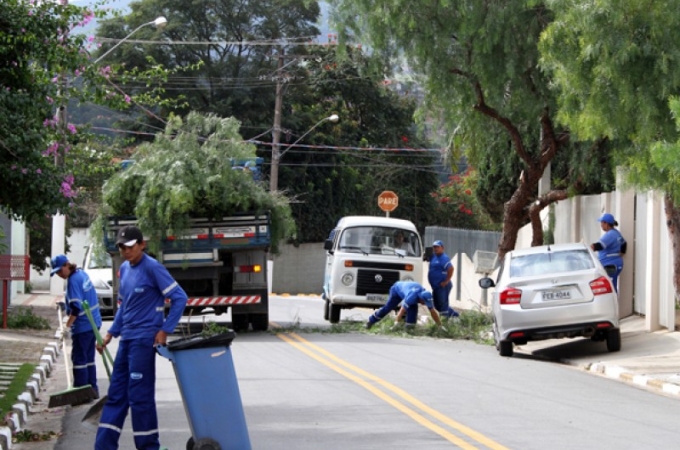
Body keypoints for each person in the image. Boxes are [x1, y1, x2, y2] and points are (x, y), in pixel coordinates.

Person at [95, 225, 188, 450]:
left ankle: (148, 447)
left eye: (129, 247)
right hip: (126, 339)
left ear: (141, 245)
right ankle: (103, 446)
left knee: (139, 397)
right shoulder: (124, 269)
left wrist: (165, 330)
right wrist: (110, 333)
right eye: (121, 247)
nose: (125, 251)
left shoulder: (153, 268)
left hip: (144, 341)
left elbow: (180, 298)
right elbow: (124, 306)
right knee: (116, 394)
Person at [50, 254, 102, 397]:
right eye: (57, 273)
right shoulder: (81, 274)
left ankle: (81, 392)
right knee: (89, 358)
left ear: (67, 265)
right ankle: (93, 389)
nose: (60, 275)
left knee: (79, 359)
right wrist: (64, 305)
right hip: (94, 323)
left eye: (60, 271)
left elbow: (76, 308)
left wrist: (66, 327)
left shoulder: (73, 281)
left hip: (83, 325)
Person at [365, 281, 442, 329]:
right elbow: (402, 310)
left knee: (413, 310)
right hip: (396, 290)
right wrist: (396, 322)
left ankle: (409, 329)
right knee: (388, 308)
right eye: (424, 302)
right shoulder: (412, 297)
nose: (424, 304)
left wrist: (440, 325)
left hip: (407, 290)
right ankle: (371, 321)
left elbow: (432, 311)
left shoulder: (427, 296)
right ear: (420, 299)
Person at [590, 213, 627, 292]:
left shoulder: (610, 235)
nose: (601, 225)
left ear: (606, 223)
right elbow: (624, 244)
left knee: (610, 288)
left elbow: (599, 246)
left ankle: (613, 303)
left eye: (602, 223)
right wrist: (620, 254)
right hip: (614, 264)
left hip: (610, 265)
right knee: (611, 286)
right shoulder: (616, 233)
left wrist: (590, 247)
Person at [428, 240, 459, 319]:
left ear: (442, 248)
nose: (436, 249)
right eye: (434, 247)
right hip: (436, 286)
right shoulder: (433, 256)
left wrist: (446, 281)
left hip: (443, 286)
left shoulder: (444, 258)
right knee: (437, 306)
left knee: (443, 305)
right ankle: (454, 315)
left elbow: (451, 268)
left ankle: (444, 323)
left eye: (437, 247)